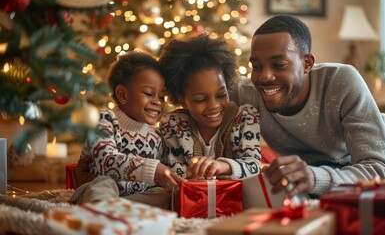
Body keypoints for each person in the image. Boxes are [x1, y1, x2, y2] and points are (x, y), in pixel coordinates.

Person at [231, 15, 385, 198]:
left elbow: (380, 170)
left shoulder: (341, 78)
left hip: (384, 147)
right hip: (323, 166)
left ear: (307, 64)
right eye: (256, 66)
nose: (264, 76)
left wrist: (315, 177)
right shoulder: (246, 93)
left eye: (279, 64)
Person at [69, 51, 184, 209]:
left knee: (165, 194)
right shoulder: (103, 120)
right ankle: (103, 214)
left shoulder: (156, 135)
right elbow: (106, 162)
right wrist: (154, 169)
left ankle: (118, 211)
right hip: (101, 190)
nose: (158, 102)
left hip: (136, 197)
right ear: (123, 95)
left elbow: (166, 169)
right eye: (149, 94)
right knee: (103, 184)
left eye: (161, 96)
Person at [158, 34, 262, 180]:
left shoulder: (245, 117)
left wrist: (222, 166)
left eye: (221, 95)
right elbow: (175, 174)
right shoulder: (173, 124)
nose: (214, 105)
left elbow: (254, 166)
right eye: (200, 99)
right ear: (182, 99)